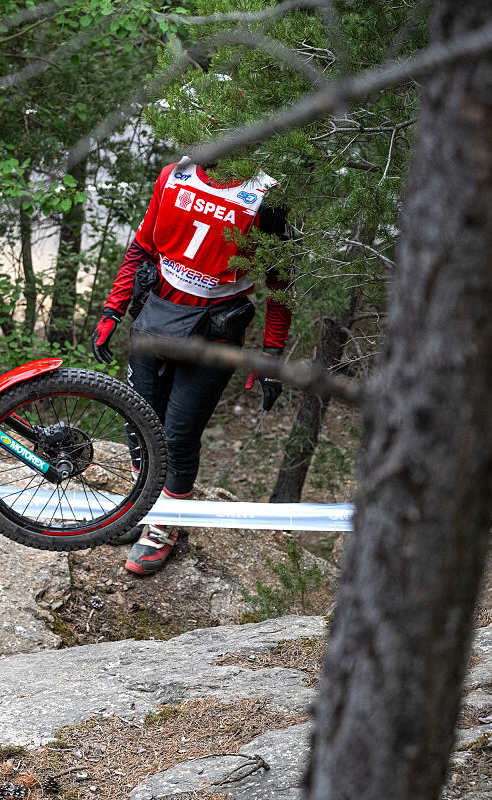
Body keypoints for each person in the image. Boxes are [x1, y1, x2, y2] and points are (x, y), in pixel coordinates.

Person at [92, 157, 291, 575]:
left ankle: (163, 527)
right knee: (137, 420)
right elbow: (141, 249)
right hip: (158, 318)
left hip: (214, 335)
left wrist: (271, 353)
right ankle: (141, 506)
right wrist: (112, 309)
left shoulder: (267, 194)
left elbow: (280, 284)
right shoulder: (174, 173)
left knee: (178, 437)